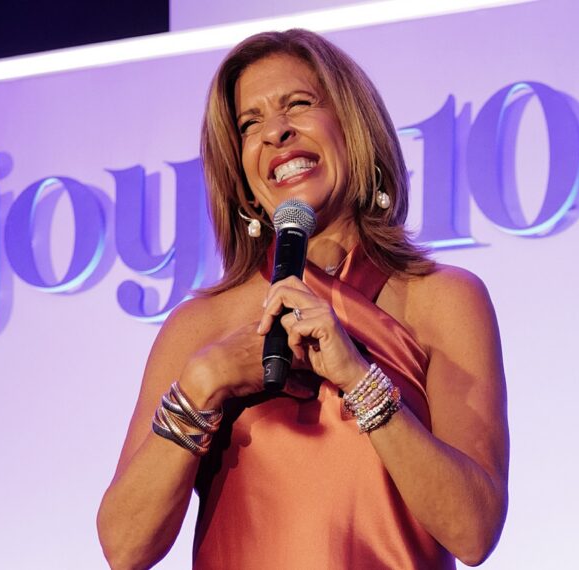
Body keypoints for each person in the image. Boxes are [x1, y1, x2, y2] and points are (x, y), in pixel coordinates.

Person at [97, 29, 509, 570]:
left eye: (299, 103)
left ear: (353, 128)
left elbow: (473, 532)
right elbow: (125, 547)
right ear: (243, 182)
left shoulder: (444, 299)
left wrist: (359, 378)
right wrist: (203, 384)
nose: (276, 132)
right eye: (251, 124)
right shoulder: (201, 327)